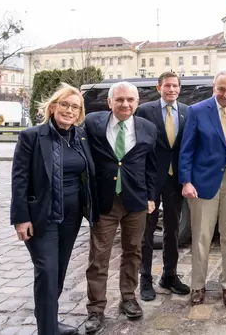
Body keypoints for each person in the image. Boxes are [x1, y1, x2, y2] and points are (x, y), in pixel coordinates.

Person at [10, 83, 98, 335]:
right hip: (41, 218)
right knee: (47, 271)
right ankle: (47, 329)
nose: (69, 110)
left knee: (58, 272)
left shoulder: (80, 138)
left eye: (75, 107)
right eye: (65, 104)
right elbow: (19, 180)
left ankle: (49, 319)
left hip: (71, 218)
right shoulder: (32, 136)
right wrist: (21, 219)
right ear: (52, 107)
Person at [83, 81, 157, 333]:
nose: (125, 104)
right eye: (120, 99)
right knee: (99, 257)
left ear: (138, 103)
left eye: (130, 100)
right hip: (105, 202)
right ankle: (95, 309)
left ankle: (128, 298)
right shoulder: (93, 123)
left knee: (133, 252)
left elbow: (151, 167)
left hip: (136, 201)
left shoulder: (148, 128)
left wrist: (151, 196)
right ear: (110, 102)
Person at [179, 70, 226, 306]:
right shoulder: (197, 111)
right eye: (222, 89)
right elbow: (187, 149)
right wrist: (186, 181)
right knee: (201, 237)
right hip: (203, 184)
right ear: (214, 87)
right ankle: (198, 286)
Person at [135, 72, 190, 301]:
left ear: (179, 88)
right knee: (146, 232)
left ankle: (169, 275)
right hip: (151, 178)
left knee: (173, 229)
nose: (171, 89)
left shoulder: (187, 112)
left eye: (175, 86)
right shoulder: (145, 111)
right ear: (159, 87)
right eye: (167, 85)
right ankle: (145, 279)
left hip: (174, 179)